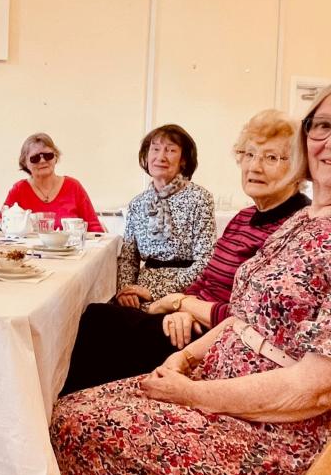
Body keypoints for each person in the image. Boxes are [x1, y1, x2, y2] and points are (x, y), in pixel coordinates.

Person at [50, 87, 331, 475]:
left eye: (271, 157)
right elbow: (241, 317)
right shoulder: (299, 222)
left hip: (267, 429)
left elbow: (317, 390)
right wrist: (184, 361)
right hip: (212, 375)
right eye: (322, 126)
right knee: (68, 408)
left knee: (77, 424)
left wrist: (193, 393)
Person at [60, 109, 310, 394]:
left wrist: (180, 304)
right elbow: (190, 275)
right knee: (100, 317)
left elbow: (248, 314)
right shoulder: (242, 218)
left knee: (100, 322)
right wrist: (143, 292)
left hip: (214, 334)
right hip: (188, 312)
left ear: (300, 169)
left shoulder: (294, 229)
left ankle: (84, 412)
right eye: (249, 155)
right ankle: (86, 408)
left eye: (272, 158)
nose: (254, 167)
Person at [115, 124, 215, 309]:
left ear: (183, 160)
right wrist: (126, 290)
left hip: (186, 292)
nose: (161, 157)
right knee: (96, 317)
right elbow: (129, 258)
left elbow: (206, 260)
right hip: (141, 290)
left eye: (170, 150)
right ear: (146, 156)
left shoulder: (200, 198)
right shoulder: (137, 204)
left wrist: (157, 292)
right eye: (155, 149)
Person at [2, 132, 103, 231]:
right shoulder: (19, 190)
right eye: (35, 158)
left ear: (55, 157)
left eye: (48, 155)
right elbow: (0, 225)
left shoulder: (73, 186)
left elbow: (95, 228)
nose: (42, 161)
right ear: (25, 162)